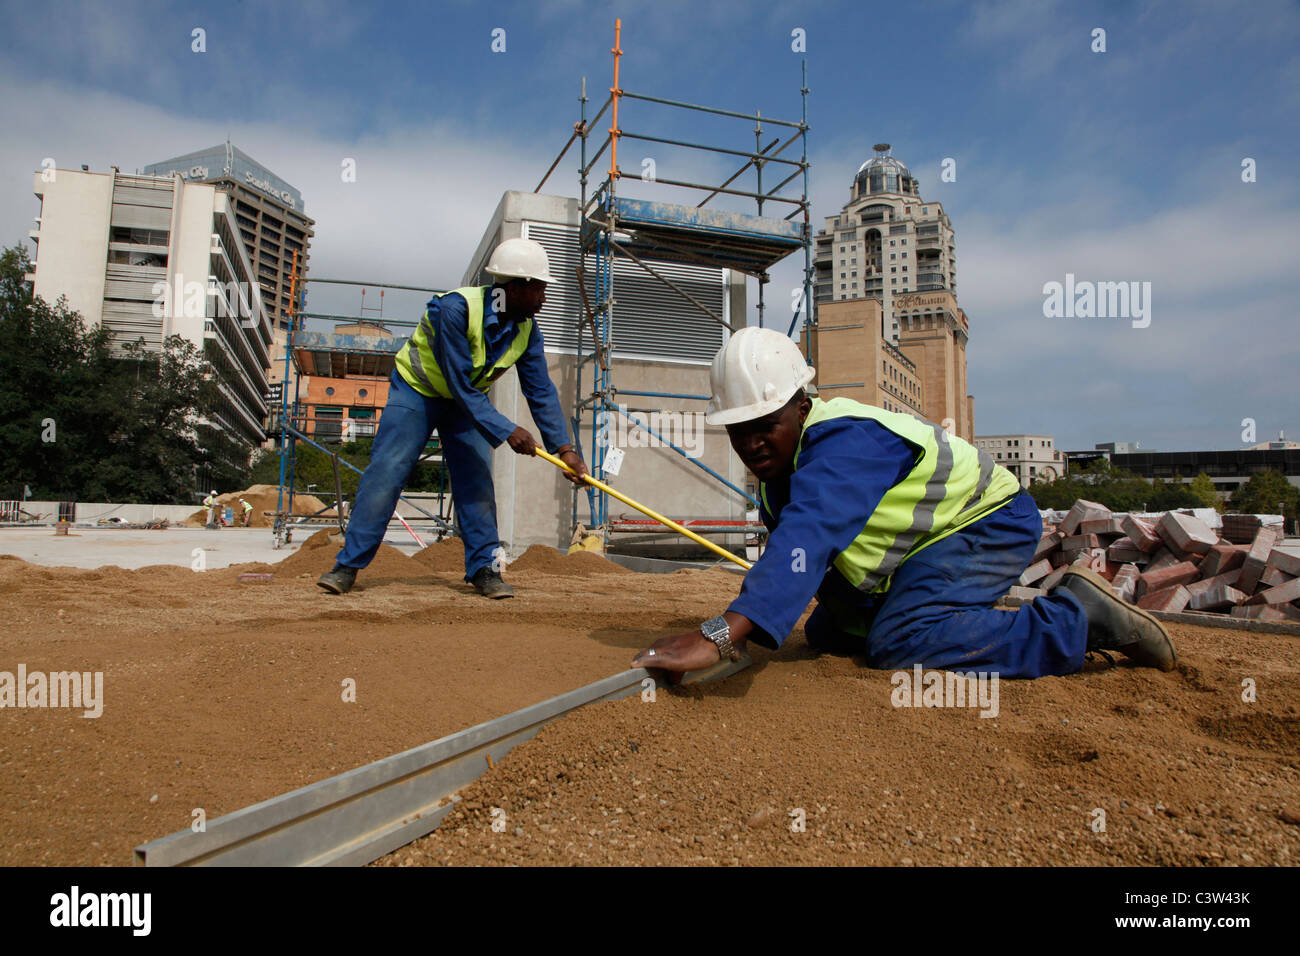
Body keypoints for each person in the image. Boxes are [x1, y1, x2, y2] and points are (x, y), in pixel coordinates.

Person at [631, 327, 1176, 679]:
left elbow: (810, 533)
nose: (751, 443)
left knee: (898, 644)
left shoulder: (845, 441)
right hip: (929, 546)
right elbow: (814, 559)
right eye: (738, 430)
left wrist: (723, 632)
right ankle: (952, 617)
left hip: (985, 523)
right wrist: (757, 623)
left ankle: (1078, 619)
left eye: (765, 424)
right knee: (830, 632)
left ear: (802, 405)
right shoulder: (782, 476)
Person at [317, 238, 588, 598]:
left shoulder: (526, 330)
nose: (544, 298)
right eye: (539, 288)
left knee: (476, 480)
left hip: (465, 403)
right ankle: (347, 566)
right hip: (418, 391)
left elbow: (540, 391)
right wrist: (507, 430)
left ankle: (484, 571)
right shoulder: (455, 310)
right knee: (388, 471)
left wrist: (565, 450)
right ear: (515, 287)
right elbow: (459, 382)